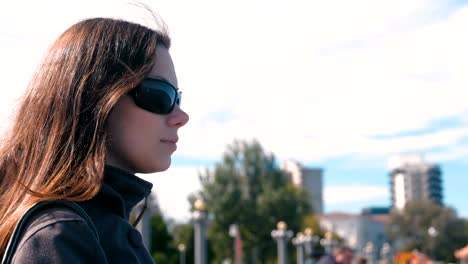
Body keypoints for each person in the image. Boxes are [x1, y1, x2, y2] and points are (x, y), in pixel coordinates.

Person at [0, 14, 189, 263]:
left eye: (177, 98)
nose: (181, 116)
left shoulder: (84, 229)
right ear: (97, 97)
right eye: (160, 94)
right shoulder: (59, 237)